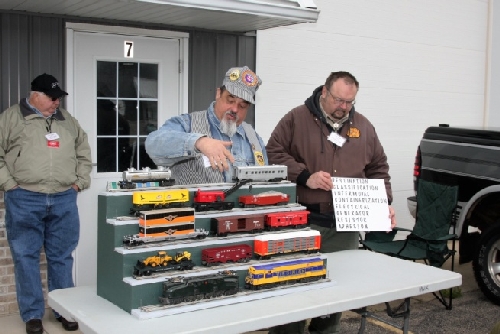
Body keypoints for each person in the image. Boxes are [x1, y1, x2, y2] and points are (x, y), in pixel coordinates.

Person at [265, 71, 397, 334]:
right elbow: (272, 153)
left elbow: (378, 168)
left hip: (344, 228)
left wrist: (382, 204)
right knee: (294, 290)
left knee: (335, 294)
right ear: (324, 92)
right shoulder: (296, 118)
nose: (343, 108)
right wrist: (305, 176)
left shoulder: (364, 127)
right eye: (338, 100)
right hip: (303, 223)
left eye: (349, 102)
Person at [0, 74, 92, 334]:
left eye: (59, 98)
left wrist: (79, 182)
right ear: (35, 96)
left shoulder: (67, 121)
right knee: (25, 257)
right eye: (52, 98)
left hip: (63, 198)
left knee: (61, 256)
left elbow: (84, 152)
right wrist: (9, 185)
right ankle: (32, 315)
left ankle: (64, 309)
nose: (56, 103)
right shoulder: (11, 118)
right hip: (24, 198)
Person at [145, 66, 267, 184]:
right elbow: (153, 143)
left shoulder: (253, 138)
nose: (235, 109)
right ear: (218, 93)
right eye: (230, 100)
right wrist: (199, 142)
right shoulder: (188, 124)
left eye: (242, 106)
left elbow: (266, 182)